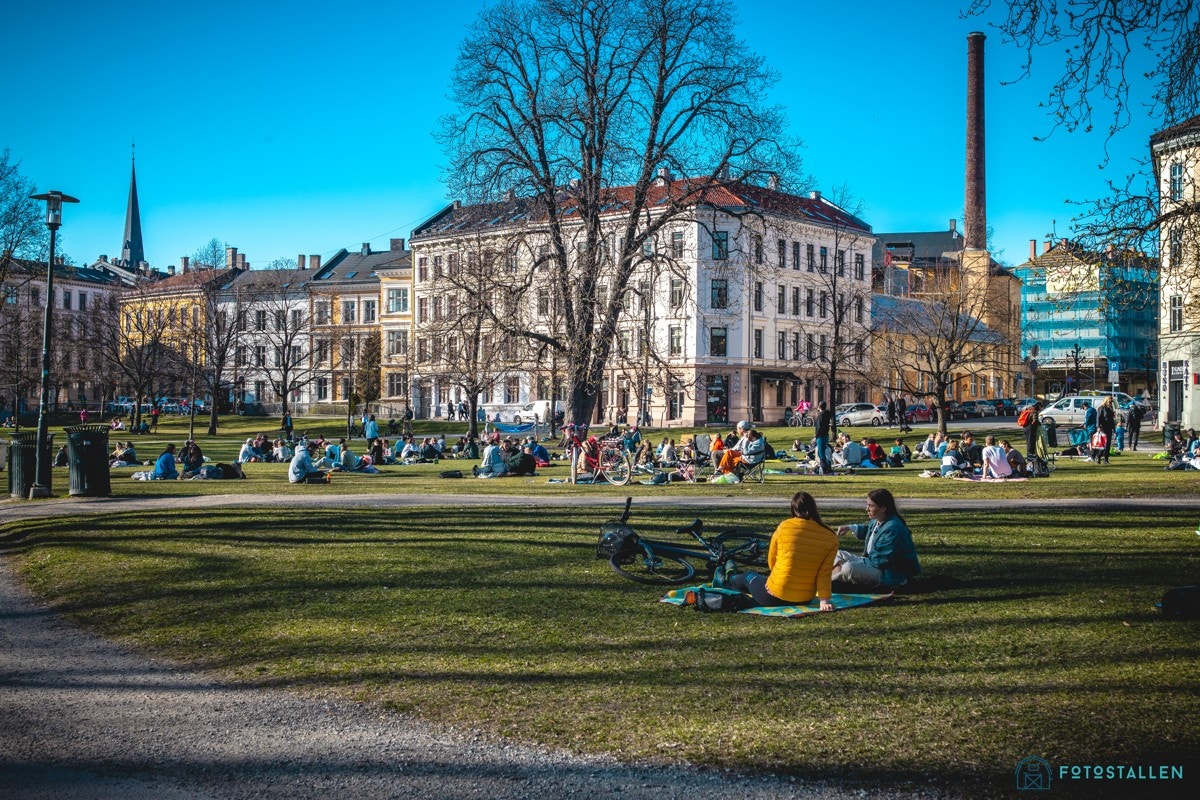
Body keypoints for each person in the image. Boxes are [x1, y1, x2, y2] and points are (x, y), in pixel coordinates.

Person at [727, 492, 836, 610]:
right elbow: (824, 573)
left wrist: (777, 581)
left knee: (748, 575)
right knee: (759, 580)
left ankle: (727, 580)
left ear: (794, 509)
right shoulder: (830, 536)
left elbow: (771, 560)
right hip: (804, 597)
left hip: (774, 594)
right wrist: (824, 600)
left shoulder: (784, 527)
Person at [832, 488, 921, 589]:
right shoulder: (878, 520)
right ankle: (837, 574)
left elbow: (879, 560)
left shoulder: (893, 528)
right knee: (835, 553)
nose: (867, 509)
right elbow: (868, 530)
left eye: (871, 506)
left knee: (849, 568)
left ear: (883, 508)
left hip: (890, 574)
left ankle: (830, 579)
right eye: (867, 505)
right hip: (873, 563)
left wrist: (855, 562)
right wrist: (850, 527)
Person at [813, 401, 833, 475]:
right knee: (823, 453)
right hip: (825, 435)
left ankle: (824, 469)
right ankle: (828, 467)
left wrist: (816, 435)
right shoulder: (827, 414)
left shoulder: (821, 415)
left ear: (819, 406)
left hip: (821, 436)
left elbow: (819, 426)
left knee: (821, 454)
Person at [1095, 396, 1116, 464]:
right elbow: (1098, 418)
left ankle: (1106, 459)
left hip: (1109, 427)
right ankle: (1098, 456)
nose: (1110, 403)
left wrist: (1114, 428)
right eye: (1109, 401)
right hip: (1103, 427)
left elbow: (1112, 419)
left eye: (1111, 402)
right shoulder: (1101, 408)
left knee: (1108, 445)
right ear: (1106, 401)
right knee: (1103, 444)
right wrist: (1098, 427)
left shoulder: (1110, 408)